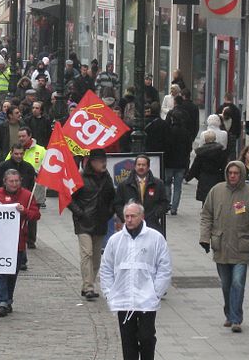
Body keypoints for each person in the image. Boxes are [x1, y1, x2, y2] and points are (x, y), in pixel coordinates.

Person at [100, 202, 172, 360]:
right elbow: (106, 268)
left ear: (142, 217)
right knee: (128, 341)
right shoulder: (115, 240)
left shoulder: (155, 238)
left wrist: (156, 292)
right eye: (127, 216)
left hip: (147, 299)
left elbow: (164, 268)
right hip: (123, 299)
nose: (130, 220)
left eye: (133, 216)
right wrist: (109, 293)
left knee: (147, 337)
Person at [199, 160, 249, 333]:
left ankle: (236, 318)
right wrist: (205, 238)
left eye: (236, 173)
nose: (233, 176)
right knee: (226, 284)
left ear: (241, 174)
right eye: (230, 173)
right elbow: (206, 215)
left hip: (242, 246)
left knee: (238, 283)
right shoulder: (216, 191)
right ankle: (229, 312)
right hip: (221, 245)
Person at [0, 169, 40, 317]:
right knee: (1, 271)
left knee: (12, 273)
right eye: (11, 181)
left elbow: (36, 215)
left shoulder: (27, 196)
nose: (14, 184)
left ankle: (8, 299)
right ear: (5, 181)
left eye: (17, 181)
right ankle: (2, 301)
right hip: (0, 241)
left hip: (18, 242)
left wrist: (25, 212)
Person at [68, 149, 115, 300]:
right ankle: (88, 287)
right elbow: (69, 198)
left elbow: (112, 198)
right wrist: (80, 213)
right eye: (101, 161)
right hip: (84, 222)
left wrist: (109, 213)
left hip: (100, 221)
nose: (104, 164)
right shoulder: (80, 178)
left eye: (105, 161)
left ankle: (88, 283)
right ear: (92, 162)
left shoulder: (107, 178)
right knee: (87, 253)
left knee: (96, 257)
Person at [113, 155, 169, 234]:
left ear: (148, 167)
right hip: (130, 226)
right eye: (138, 165)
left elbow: (164, 203)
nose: (141, 167)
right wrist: (126, 217)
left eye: (143, 165)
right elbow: (117, 204)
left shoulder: (158, 184)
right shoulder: (124, 185)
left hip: (152, 225)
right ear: (135, 166)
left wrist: (155, 215)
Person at [185, 130, 228, 205]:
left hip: (204, 178)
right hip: (217, 178)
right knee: (216, 199)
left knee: (205, 201)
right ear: (215, 139)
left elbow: (195, 168)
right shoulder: (221, 152)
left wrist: (188, 177)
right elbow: (225, 166)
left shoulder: (201, 153)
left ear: (205, 139)